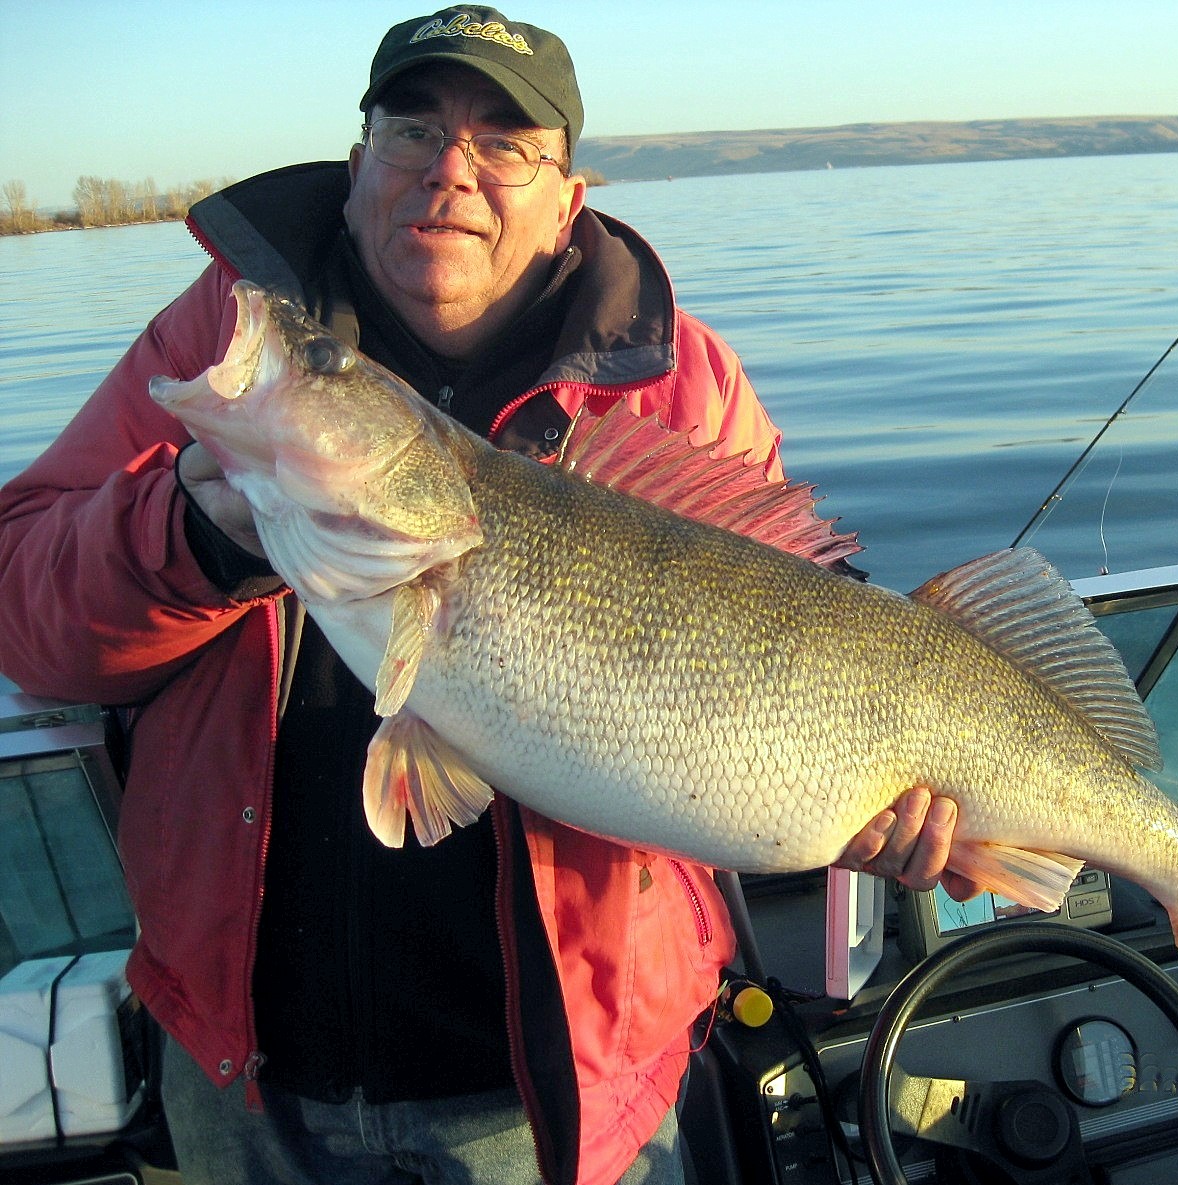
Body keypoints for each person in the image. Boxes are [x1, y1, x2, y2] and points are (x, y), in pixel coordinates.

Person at [0, 8, 969, 1184]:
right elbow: (25, 619)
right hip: (244, 1081)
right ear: (359, 166)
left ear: (567, 196)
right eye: (411, 128)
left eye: (506, 143)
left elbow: (810, 621)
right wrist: (190, 537)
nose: (449, 170)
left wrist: (909, 821)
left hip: (565, 1100)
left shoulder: (675, 383)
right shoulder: (225, 336)